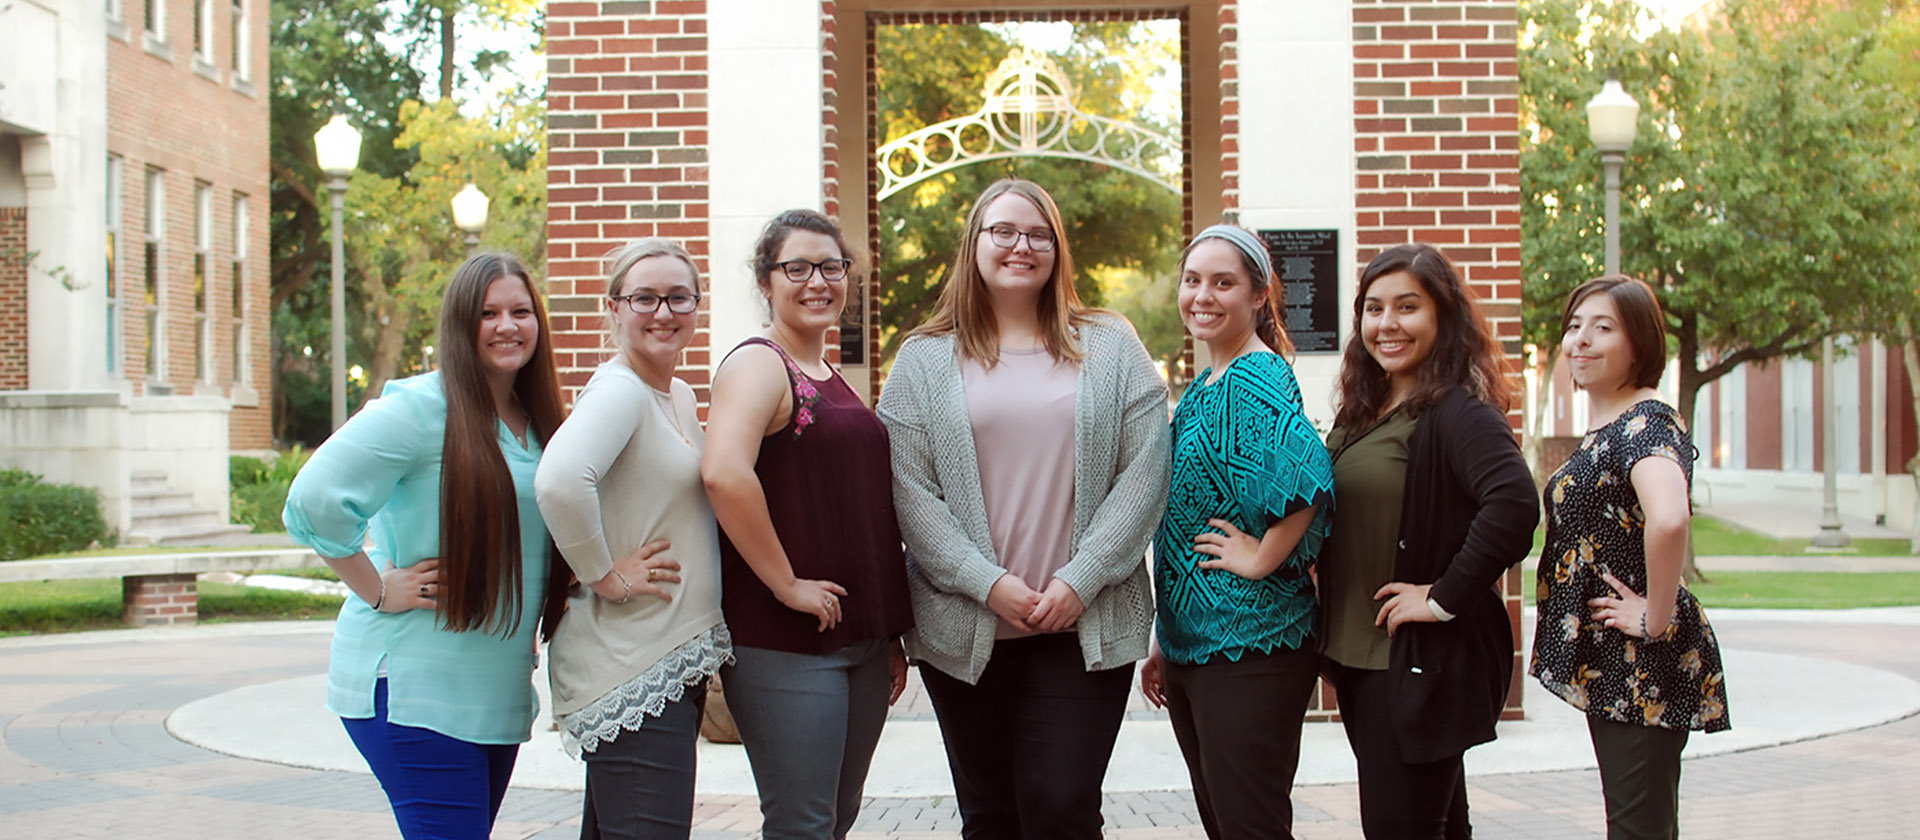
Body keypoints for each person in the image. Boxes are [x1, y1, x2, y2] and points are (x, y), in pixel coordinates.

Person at [876, 178, 1171, 840]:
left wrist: (1081, 578)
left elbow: (1145, 471)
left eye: (1039, 234)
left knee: (1061, 806)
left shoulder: (1111, 344)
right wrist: (989, 584)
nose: (1022, 246)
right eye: (1004, 231)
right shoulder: (922, 360)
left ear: (1058, 249)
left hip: (1081, 625)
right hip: (965, 626)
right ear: (974, 244)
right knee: (990, 817)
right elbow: (908, 490)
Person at [283, 252, 570, 840]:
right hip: (415, 687)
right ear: (461, 325)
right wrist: (378, 589)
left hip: (492, 687)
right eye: (487, 313)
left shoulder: (537, 420)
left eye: (520, 311)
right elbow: (313, 499)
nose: (506, 326)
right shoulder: (420, 409)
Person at [700, 209, 914, 840]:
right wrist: (787, 584)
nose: (817, 280)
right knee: (803, 825)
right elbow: (723, 473)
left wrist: (887, 634)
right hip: (787, 644)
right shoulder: (759, 365)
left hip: (860, 641)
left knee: (834, 820)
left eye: (831, 266)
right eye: (797, 267)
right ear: (766, 281)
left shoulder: (828, 373)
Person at [1316, 243, 1537, 839]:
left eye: (1407, 307)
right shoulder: (1365, 411)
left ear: (1443, 316)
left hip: (1412, 662)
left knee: (1398, 827)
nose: (1387, 324)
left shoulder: (1457, 413)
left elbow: (1515, 505)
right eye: (1374, 308)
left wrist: (1440, 597)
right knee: (1434, 824)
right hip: (1363, 659)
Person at [1136, 224, 1334, 840]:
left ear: (1258, 297)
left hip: (1253, 643)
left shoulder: (1255, 378)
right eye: (1193, 280)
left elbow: (1307, 477)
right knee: (1227, 824)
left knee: (1251, 824)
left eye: (1224, 282)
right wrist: (1164, 638)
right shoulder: (1204, 386)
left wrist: (1260, 557)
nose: (1203, 295)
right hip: (1197, 643)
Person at [535, 239, 733, 840]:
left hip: (665, 656)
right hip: (629, 663)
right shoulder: (620, 390)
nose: (664, 313)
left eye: (679, 298)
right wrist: (605, 574)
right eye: (644, 297)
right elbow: (561, 482)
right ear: (614, 308)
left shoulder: (677, 394)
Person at [1532, 276, 1730, 840]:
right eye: (1574, 327)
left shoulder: (1645, 425)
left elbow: (1670, 518)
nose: (1581, 341)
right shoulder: (1614, 426)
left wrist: (1656, 615)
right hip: (1618, 660)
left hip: (1643, 660)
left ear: (1639, 344)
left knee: (1638, 828)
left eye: (1603, 328)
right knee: (1638, 823)